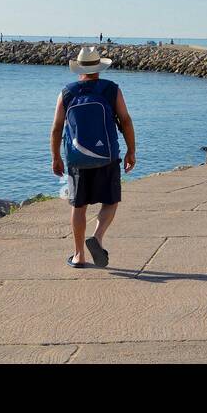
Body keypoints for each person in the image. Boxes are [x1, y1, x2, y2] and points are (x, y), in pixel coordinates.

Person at [50, 46, 136, 268]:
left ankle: (79, 255)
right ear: (99, 68)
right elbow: (125, 121)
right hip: (107, 157)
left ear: (79, 68)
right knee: (111, 200)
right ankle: (97, 237)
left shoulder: (67, 92)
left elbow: (57, 128)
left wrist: (55, 157)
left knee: (78, 206)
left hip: (77, 159)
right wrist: (131, 151)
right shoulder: (111, 89)